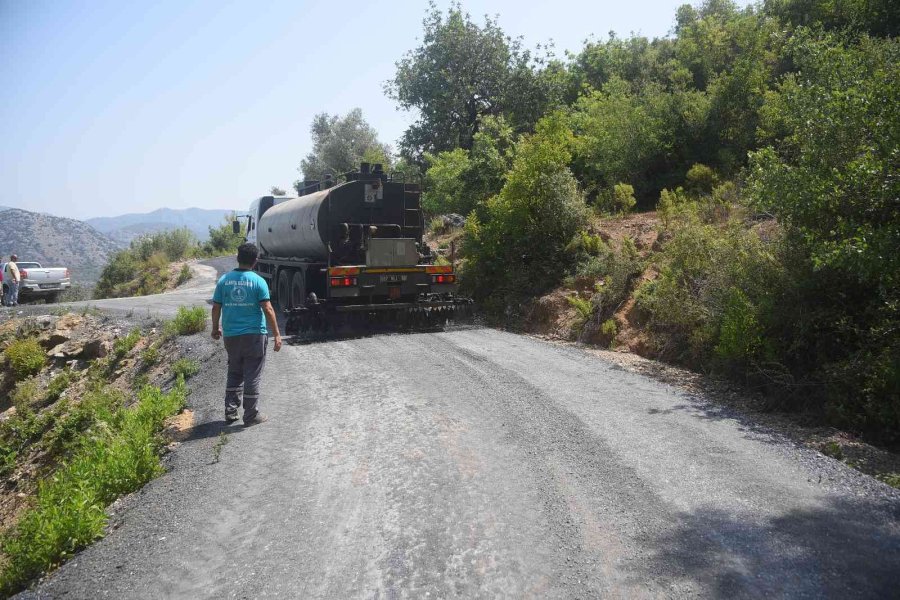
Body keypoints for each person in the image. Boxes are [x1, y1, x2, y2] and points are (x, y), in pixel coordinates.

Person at [211, 243, 282, 426]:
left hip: (231, 336)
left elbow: (216, 306)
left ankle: (230, 410)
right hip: (254, 335)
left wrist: (215, 328)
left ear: (237, 257)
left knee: (235, 371)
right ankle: (250, 416)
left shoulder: (224, 281)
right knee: (252, 374)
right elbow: (268, 308)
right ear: (256, 261)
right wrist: (277, 335)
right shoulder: (258, 281)